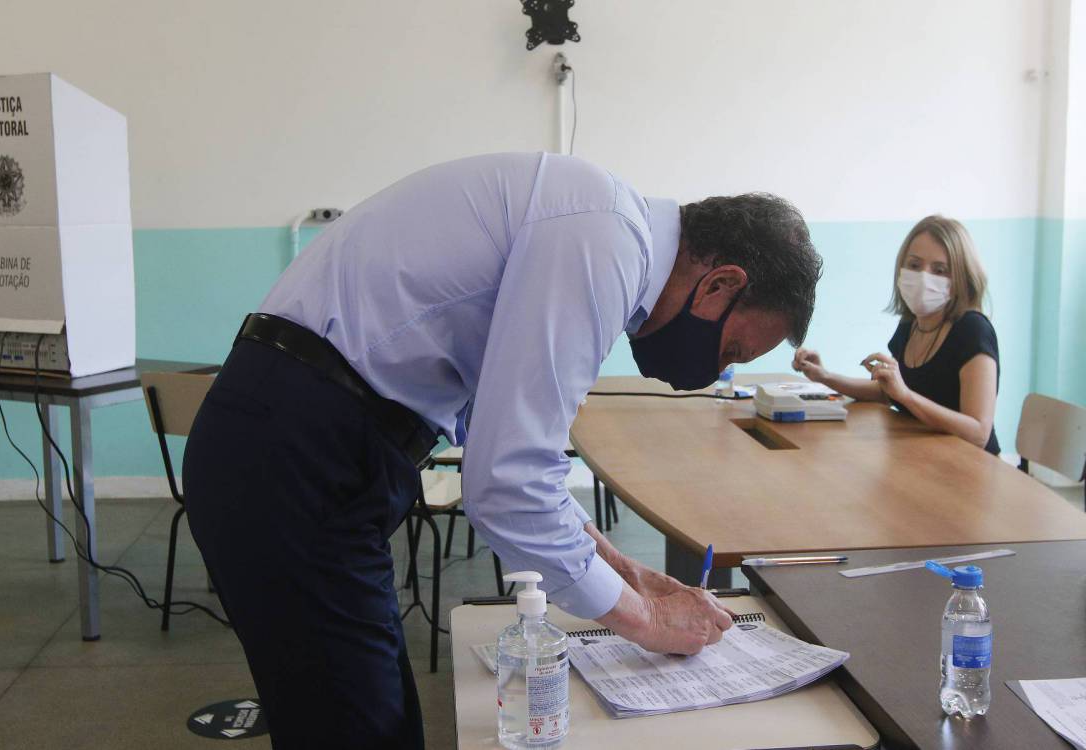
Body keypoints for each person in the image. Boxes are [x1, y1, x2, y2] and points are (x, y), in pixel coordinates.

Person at [182, 152, 823, 749]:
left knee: (362, 717)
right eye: (734, 351)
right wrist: (648, 620)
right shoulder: (602, 241)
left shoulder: (597, 219)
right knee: (358, 725)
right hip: (299, 446)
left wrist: (632, 574)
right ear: (719, 284)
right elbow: (509, 485)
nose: (715, 371)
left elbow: (513, 458)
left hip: (303, 438)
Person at [793, 215, 999, 453]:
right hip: (922, 455)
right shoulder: (910, 324)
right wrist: (824, 377)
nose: (924, 276)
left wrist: (905, 396)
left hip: (971, 466)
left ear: (961, 277)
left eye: (940, 270)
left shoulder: (973, 330)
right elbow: (887, 393)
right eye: (914, 265)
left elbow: (979, 433)